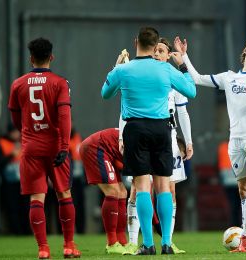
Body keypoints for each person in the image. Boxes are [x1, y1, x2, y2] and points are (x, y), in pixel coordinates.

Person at [174, 35, 246, 253]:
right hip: (235, 139)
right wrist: (185, 57)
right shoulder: (229, 78)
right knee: (242, 190)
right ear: (245, 51)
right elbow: (198, 78)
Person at [101, 27, 196, 255]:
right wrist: (182, 65)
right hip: (161, 128)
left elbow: (106, 93)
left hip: (135, 128)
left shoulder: (123, 70)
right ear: (156, 47)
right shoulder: (164, 69)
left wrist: (115, 68)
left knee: (142, 185)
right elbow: (191, 91)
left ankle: (147, 244)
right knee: (163, 186)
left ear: (136, 42)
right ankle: (165, 242)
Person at [8, 37, 81, 259]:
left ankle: (43, 249)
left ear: (31, 58)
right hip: (55, 147)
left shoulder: (18, 84)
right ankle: (68, 245)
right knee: (64, 194)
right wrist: (64, 146)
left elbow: (15, 118)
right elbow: (64, 116)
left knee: (36, 198)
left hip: (31, 148)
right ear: (52, 57)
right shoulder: (60, 83)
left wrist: (28, 134)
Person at [123, 38, 193, 255]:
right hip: (157, 133)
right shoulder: (149, 76)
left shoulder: (170, 80)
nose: (157, 54)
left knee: (167, 189)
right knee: (139, 188)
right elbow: (123, 108)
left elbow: (183, 112)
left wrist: (188, 141)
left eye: (161, 50)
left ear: (167, 55)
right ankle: (136, 240)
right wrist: (120, 137)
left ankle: (165, 240)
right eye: (154, 50)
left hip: (168, 138)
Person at [79, 128, 128, 254]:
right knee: (112, 191)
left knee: (122, 192)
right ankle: (112, 243)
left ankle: (122, 241)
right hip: (95, 147)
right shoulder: (143, 149)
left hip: (107, 150)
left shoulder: (145, 142)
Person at [0, 124, 30, 235]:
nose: (17, 134)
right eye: (14, 132)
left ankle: (27, 232)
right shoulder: (1, 144)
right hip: (9, 184)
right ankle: (16, 232)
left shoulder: (23, 142)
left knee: (26, 208)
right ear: (9, 133)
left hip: (24, 183)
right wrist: (11, 155)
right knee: (12, 209)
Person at [218, 140, 242, 227]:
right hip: (235, 182)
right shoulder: (241, 146)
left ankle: (235, 224)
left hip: (229, 181)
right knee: (237, 205)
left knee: (234, 205)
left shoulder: (223, 146)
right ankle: (237, 224)